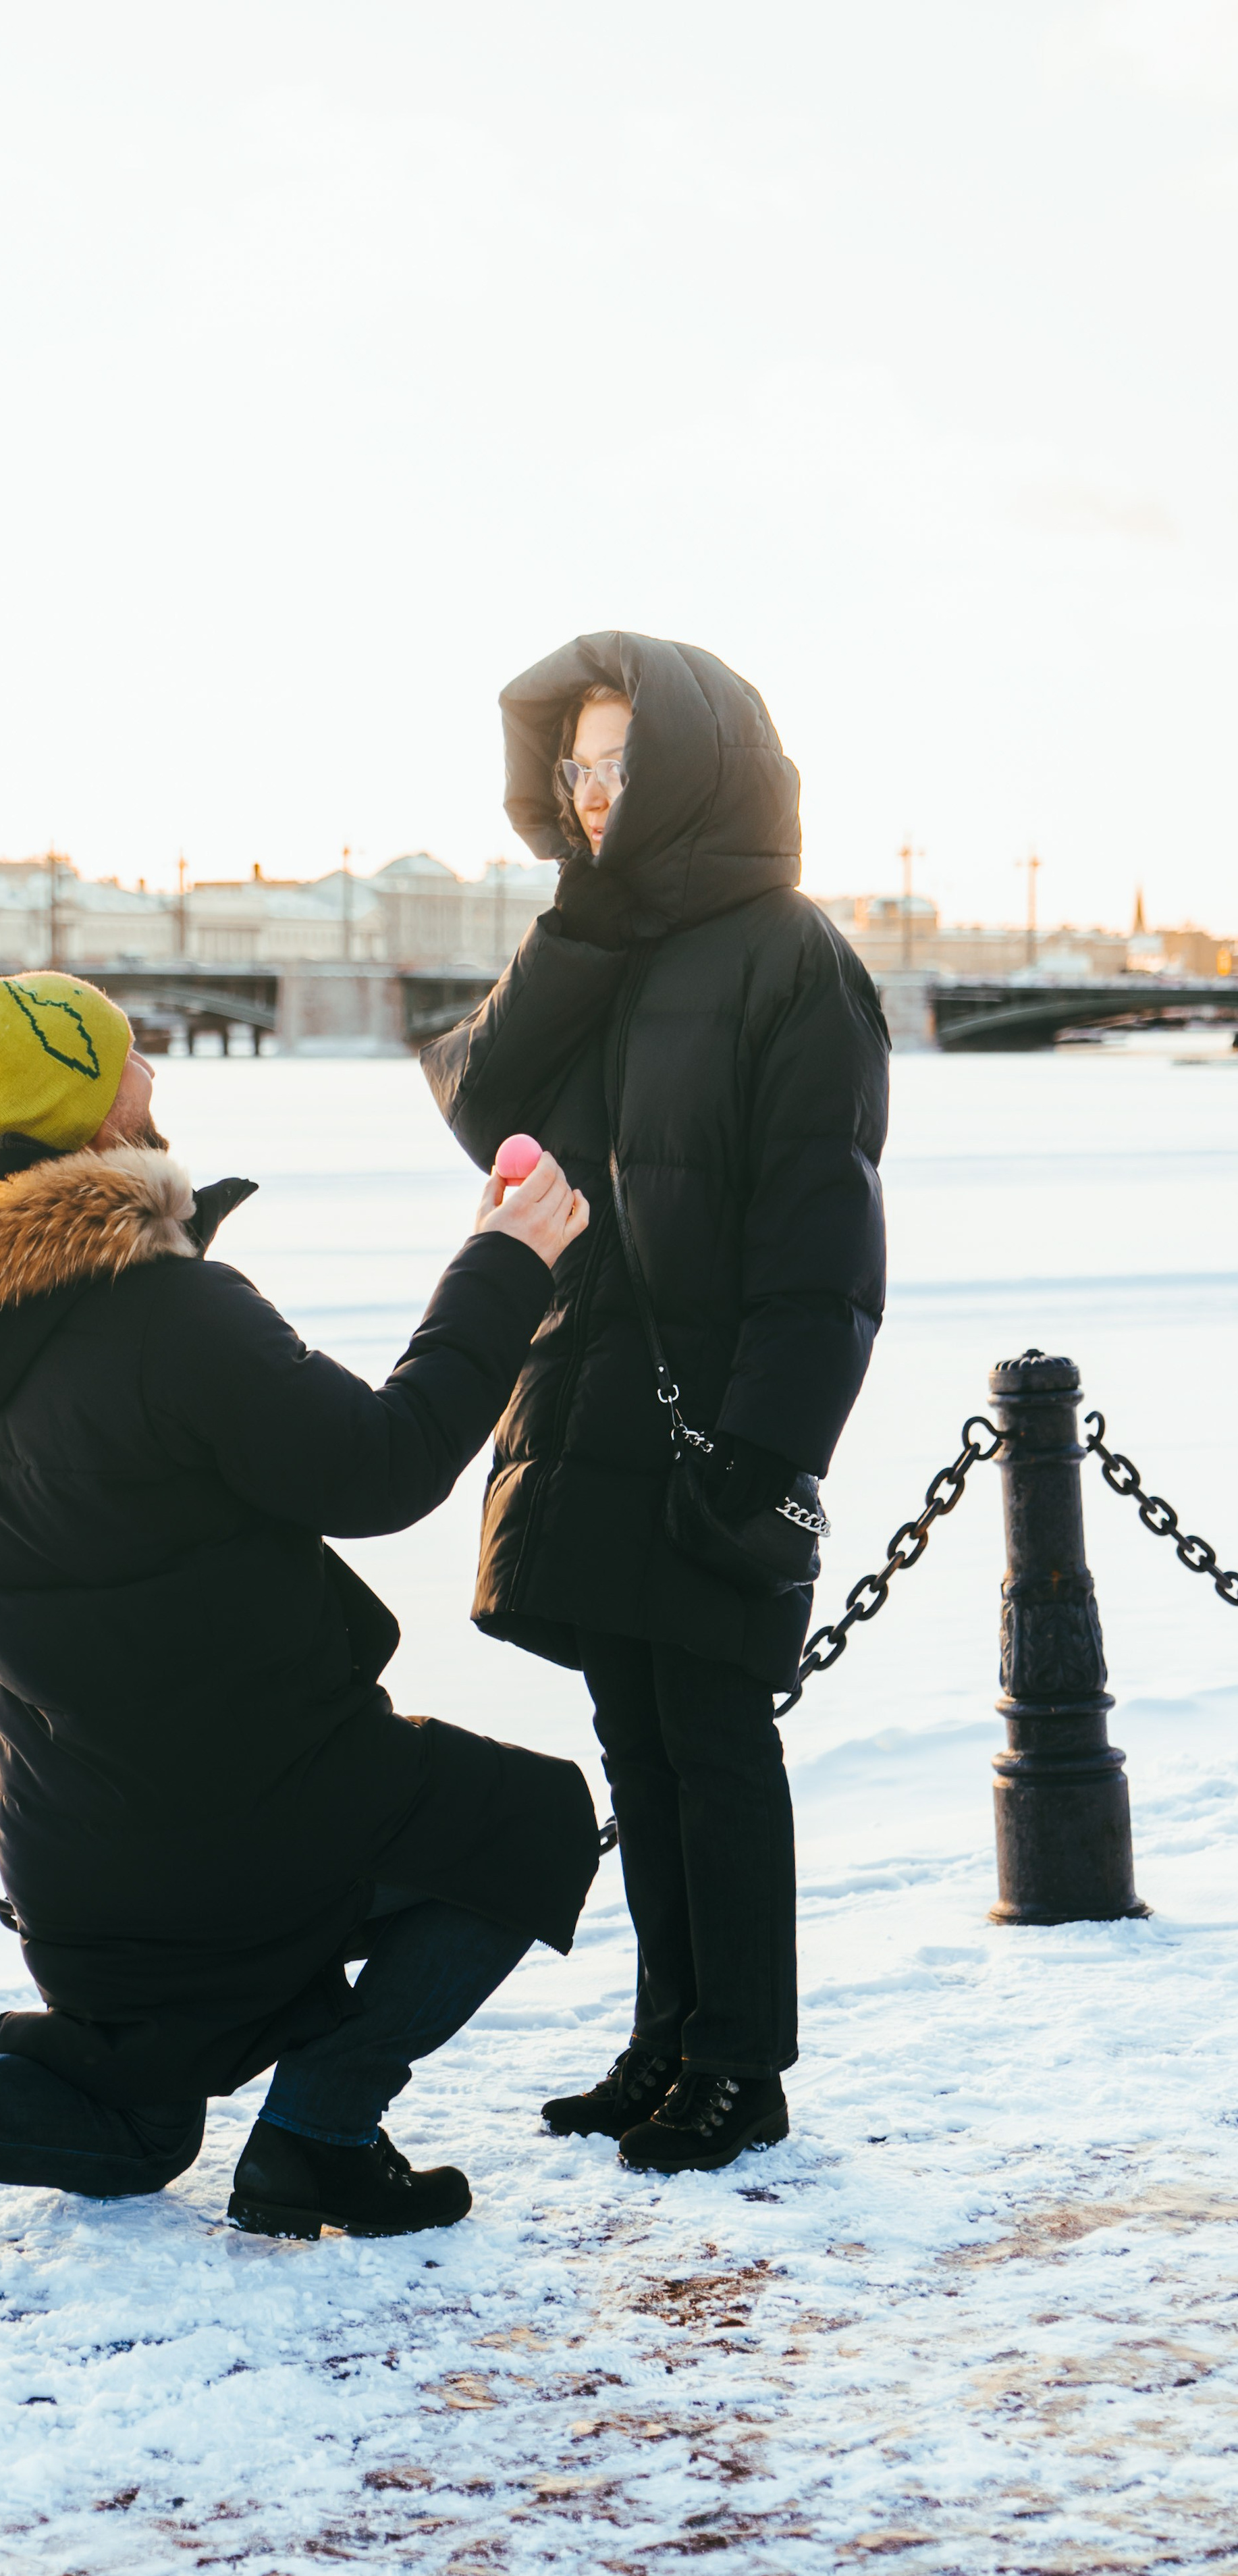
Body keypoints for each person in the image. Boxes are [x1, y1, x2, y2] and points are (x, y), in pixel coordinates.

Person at [0, 968, 598, 2286]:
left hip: (76, 1843)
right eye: (130, 1067)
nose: (155, 1083)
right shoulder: (168, 1310)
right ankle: (318, 2137)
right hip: (265, 1795)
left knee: (127, 2132)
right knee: (528, 1826)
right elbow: (384, 1468)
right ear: (92, 1108)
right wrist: (506, 1264)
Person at [422, 631, 889, 2176]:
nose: (593, 793)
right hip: (588, 1396)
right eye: (575, 768)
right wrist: (581, 925)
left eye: (621, 765)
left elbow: (819, 1236)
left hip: (710, 1415)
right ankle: (662, 2038)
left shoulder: (789, 955)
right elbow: (483, 1106)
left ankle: (738, 2064)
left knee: (713, 1743)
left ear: (690, 767)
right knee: (637, 1741)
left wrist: (767, 1444)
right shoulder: (596, 942)